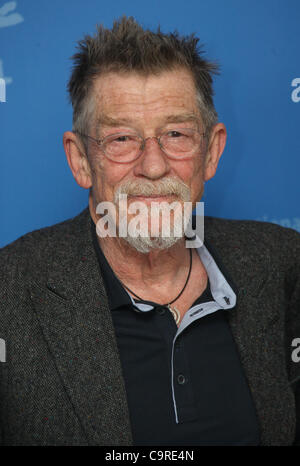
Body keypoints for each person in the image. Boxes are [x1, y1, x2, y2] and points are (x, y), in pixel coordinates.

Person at [0, 16, 299, 446]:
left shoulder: (284, 262)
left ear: (211, 152)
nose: (154, 166)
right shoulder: (9, 290)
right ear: (81, 160)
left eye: (176, 134)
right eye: (121, 139)